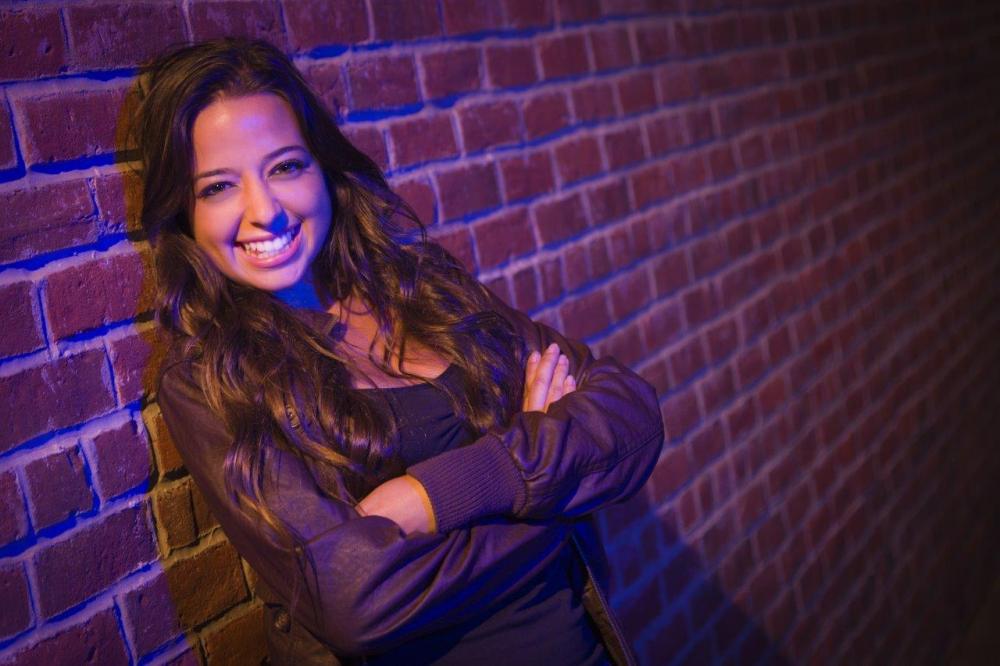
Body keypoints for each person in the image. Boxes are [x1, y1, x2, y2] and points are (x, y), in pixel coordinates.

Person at [132, 38, 664, 666]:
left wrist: (437, 495)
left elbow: (630, 416)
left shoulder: (420, 289)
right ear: (183, 213)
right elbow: (359, 601)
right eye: (218, 185)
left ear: (323, 169)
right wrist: (553, 494)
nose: (264, 211)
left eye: (284, 167)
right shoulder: (210, 381)